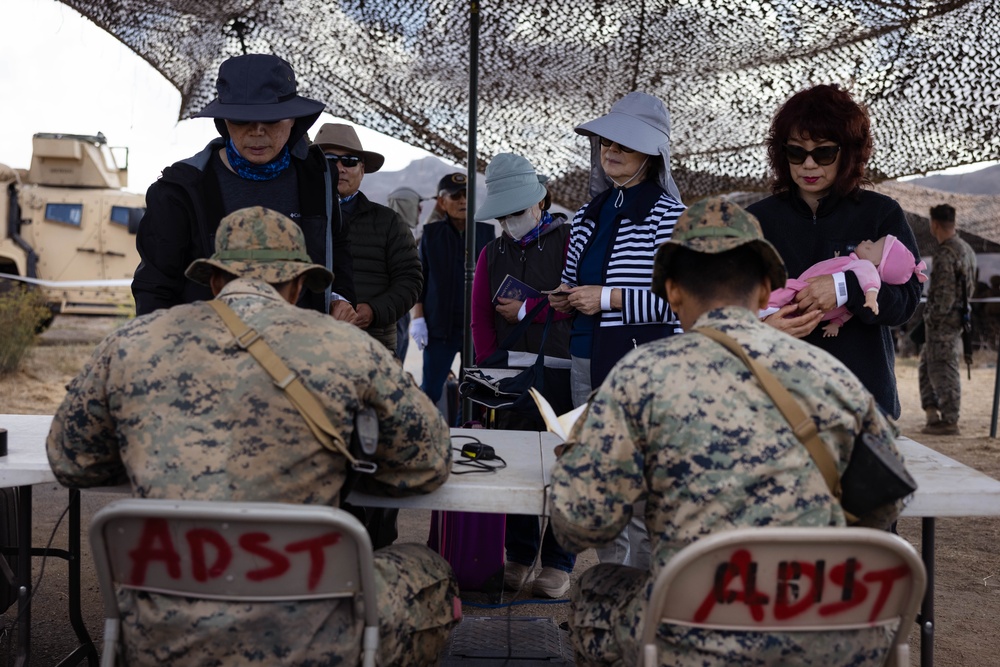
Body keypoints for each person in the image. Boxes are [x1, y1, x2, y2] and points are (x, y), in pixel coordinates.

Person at [48, 207, 459, 667]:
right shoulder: (347, 346)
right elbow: (428, 464)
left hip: (161, 634)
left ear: (215, 282)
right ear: (299, 285)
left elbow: (71, 461)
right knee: (431, 573)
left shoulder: (132, 341)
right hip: (313, 637)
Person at [548, 197, 905, 666]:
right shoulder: (837, 380)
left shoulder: (641, 376)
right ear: (763, 294)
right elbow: (883, 512)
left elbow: (579, 523)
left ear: (672, 293)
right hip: (825, 639)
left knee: (596, 590)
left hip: (694, 639)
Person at [548, 90, 685, 568]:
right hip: (585, 358)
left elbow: (680, 304)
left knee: (644, 482)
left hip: (641, 368)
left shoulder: (671, 219)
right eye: (606, 142)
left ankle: (647, 597)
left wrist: (604, 297)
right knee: (603, 475)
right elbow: (573, 286)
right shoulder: (587, 215)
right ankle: (611, 587)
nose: (611, 151)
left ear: (652, 154)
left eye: (623, 145)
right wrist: (563, 299)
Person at [132, 53, 357, 321]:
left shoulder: (317, 178)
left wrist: (339, 296)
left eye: (271, 119)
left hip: (300, 347)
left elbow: (336, 245)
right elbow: (155, 286)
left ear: (293, 119)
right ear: (225, 120)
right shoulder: (181, 189)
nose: (257, 131)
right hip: (209, 349)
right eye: (242, 119)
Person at [747, 83, 921, 419]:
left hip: (862, 405)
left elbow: (906, 302)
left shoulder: (881, 213)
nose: (808, 165)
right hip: (777, 405)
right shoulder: (756, 220)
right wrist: (762, 329)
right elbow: (727, 305)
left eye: (823, 152)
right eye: (796, 152)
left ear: (850, 152)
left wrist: (845, 288)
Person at [469, 153, 575, 598]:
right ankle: (518, 554)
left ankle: (558, 561)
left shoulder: (572, 241)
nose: (511, 221)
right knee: (517, 465)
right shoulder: (490, 253)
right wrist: (492, 367)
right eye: (504, 215)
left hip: (567, 371)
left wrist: (532, 309)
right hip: (511, 378)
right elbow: (480, 318)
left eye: (517, 212)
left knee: (565, 468)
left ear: (540, 201)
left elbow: (576, 297)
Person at [313, 123, 422, 354]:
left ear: (362, 170)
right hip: (309, 346)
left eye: (349, 161)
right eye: (330, 160)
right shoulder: (296, 218)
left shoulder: (389, 222)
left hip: (373, 347)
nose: (340, 168)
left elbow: (410, 281)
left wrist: (373, 311)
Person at [410, 172, 496, 419]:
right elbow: (420, 279)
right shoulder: (431, 234)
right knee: (430, 390)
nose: (462, 201)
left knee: (472, 394)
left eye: (467, 195)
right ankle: (426, 434)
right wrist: (418, 318)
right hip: (439, 330)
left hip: (476, 331)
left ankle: (465, 437)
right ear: (441, 201)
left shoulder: (486, 234)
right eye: (455, 196)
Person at [763, 234, 927, 337]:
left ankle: (765, 308)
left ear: (876, 263)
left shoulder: (865, 266)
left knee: (787, 291)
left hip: (802, 289)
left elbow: (871, 281)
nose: (867, 240)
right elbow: (847, 312)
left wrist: (869, 295)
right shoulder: (854, 262)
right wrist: (837, 324)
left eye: (871, 245)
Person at [920, 203, 977, 435]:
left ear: (934, 224)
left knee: (944, 368)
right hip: (956, 319)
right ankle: (932, 413)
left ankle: (950, 420)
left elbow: (943, 296)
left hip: (943, 323)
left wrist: (931, 318)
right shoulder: (966, 249)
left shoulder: (946, 253)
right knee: (927, 365)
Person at [387, 186, 426, 362]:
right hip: (392, 311)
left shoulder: (393, 230)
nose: (420, 211)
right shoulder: (395, 234)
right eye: (417, 206)